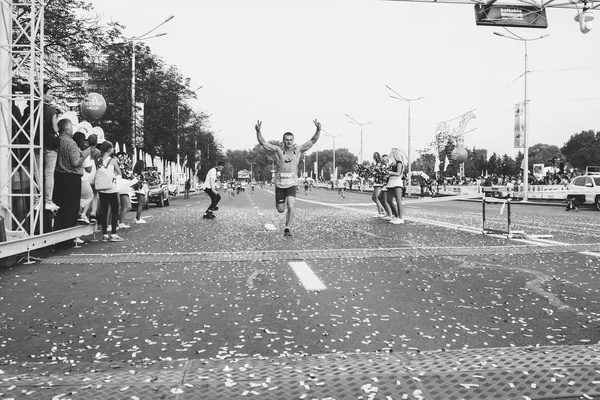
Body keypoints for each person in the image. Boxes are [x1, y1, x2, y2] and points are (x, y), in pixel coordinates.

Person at [256, 119, 321, 237]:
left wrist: (318, 129)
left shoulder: (298, 150)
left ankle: (287, 228)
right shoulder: (278, 150)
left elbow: (313, 141)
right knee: (281, 209)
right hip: (280, 183)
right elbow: (263, 143)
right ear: (283, 140)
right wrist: (258, 131)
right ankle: (284, 206)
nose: (289, 142)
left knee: (291, 205)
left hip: (291, 183)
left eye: (291, 140)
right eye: (287, 140)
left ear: (293, 140)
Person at [53, 119, 91, 230]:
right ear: (67, 129)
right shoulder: (70, 143)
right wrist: (84, 155)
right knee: (71, 208)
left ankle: (60, 232)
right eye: (72, 128)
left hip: (59, 176)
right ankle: (69, 236)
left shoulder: (57, 141)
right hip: (72, 178)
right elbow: (75, 162)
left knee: (61, 208)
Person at [96, 141, 124, 241]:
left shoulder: (98, 160)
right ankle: (113, 233)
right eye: (112, 148)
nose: (113, 150)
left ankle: (104, 234)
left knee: (104, 211)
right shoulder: (112, 160)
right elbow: (119, 173)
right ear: (109, 149)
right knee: (115, 210)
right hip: (111, 188)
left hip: (101, 188)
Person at [386, 148, 407, 225]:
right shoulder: (392, 164)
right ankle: (395, 215)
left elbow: (398, 173)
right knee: (388, 199)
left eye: (391, 155)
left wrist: (389, 172)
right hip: (390, 181)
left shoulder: (399, 163)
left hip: (397, 181)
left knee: (398, 200)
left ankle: (401, 218)